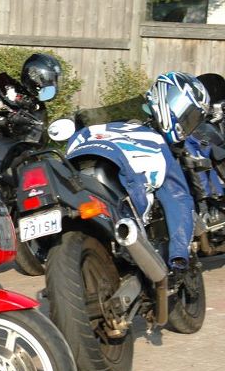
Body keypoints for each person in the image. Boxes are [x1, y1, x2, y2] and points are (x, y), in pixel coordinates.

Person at [66, 71, 210, 272]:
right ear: (168, 98)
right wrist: (179, 254)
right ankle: (174, 256)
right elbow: (178, 199)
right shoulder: (156, 141)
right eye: (187, 114)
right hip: (120, 187)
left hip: (75, 168)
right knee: (180, 199)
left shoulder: (108, 122)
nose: (186, 123)